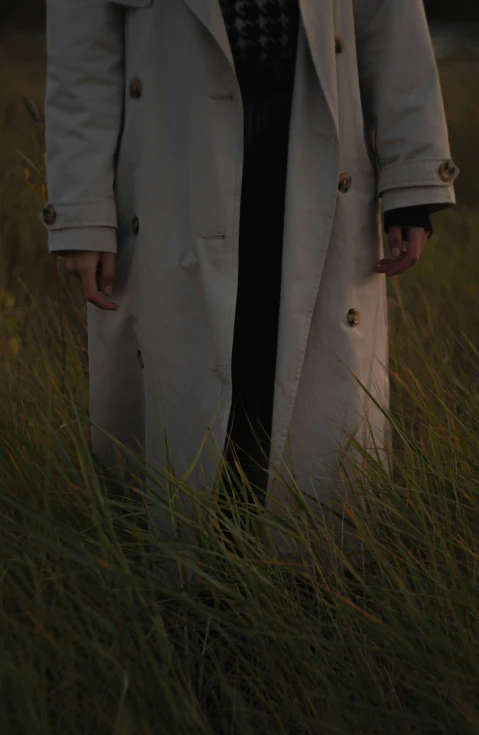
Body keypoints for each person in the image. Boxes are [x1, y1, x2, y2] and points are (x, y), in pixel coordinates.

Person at [41, 0, 458, 577]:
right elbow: (82, 55)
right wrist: (82, 210)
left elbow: (389, 22)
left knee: (299, 386)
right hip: (171, 167)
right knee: (191, 387)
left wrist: (413, 174)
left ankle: (310, 587)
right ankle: (184, 592)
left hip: (314, 142)